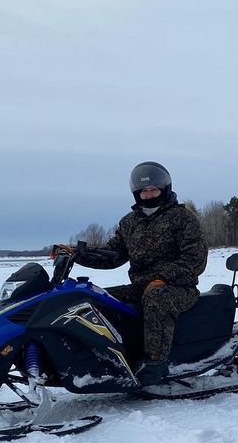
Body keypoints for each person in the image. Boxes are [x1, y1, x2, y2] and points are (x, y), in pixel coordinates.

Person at [58, 161, 207, 385]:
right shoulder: (130, 222)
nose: (148, 195)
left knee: (156, 297)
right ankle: (108, 356)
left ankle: (155, 363)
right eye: (144, 191)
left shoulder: (182, 218)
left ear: (164, 189)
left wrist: (163, 278)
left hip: (179, 287)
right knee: (95, 299)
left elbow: (194, 260)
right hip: (140, 287)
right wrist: (78, 254)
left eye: (153, 190)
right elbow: (113, 254)